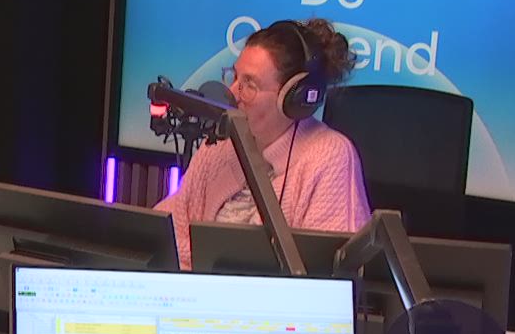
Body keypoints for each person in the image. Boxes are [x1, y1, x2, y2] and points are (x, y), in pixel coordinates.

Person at [155, 17, 369, 269]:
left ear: (293, 98)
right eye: (235, 77)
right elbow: (170, 234)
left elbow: (326, 274)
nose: (232, 93)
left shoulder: (329, 157)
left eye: (250, 84)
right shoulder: (219, 145)